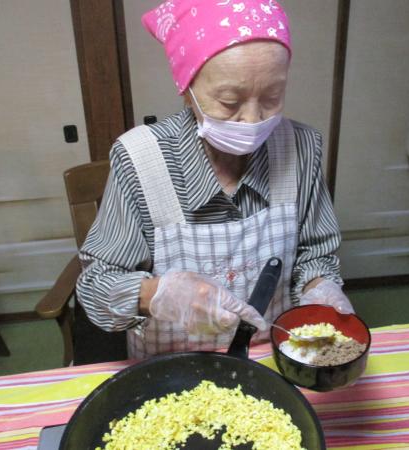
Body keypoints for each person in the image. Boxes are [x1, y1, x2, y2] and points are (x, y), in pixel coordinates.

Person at [76, 0, 353, 360]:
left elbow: (314, 254)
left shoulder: (301, 148)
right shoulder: (140, 160)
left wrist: (320, 287)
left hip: (273, 356)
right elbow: (96, 286)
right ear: (187, 88)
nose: (252, 118)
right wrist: (157, 294)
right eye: (229, 100)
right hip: (170, 365)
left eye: (272, 96)